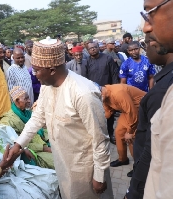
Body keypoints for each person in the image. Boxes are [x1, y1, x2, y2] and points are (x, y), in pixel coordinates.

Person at [6, 37, 113, 199]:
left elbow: (100, 139)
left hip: (85, 168)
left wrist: (99, 175)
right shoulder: (46, 87)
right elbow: (37, 118)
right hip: (62, 162)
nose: (34, 75)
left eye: (37, 70)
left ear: (52, 70)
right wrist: (18, 144)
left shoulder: (83, 93)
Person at [126, 1, 173, 197]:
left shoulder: (163, 94)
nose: (146, 26)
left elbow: (152, 153)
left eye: (150, 13)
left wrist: (134, 191)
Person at [0, 105, 60, 199]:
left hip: (19, 169)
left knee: (54, 179)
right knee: (35, 196)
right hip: (0, 181)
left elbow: (18, 143)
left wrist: (24, 149)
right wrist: (4, 164)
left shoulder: (2, 129)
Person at [0, 86, 54, 169]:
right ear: (17, 101)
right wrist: (45, 148)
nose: (29, 101)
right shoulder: (9, 121)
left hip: (44, 143)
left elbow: (41, 130)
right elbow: (18, 143)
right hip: (35, 150)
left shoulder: (28, 113)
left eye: (28, 98)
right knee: (57, 162)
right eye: (26, 99)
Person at [99, 84, 146, 177]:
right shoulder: (104, 97)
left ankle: (139, 167)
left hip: (140, 108)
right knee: (119, 133)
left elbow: (132, 113)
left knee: (131, 139)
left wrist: (130, 132)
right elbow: (107, 113)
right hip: (128, 111)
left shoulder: (118, 93)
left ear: (102, 91)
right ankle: (123, 159)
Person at [85, 42, 118, 144]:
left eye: (95, 47)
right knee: (96, 115)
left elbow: (114, 74)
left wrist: (114, 89)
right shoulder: (87, 62)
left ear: (98, 48)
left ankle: (110, 134)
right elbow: (85, 78)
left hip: (108, 91)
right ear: (88, 50)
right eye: (91, 48)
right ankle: (100, 137)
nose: (93, 49)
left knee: (109, 114)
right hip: (94, 93)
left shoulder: (108, 59)